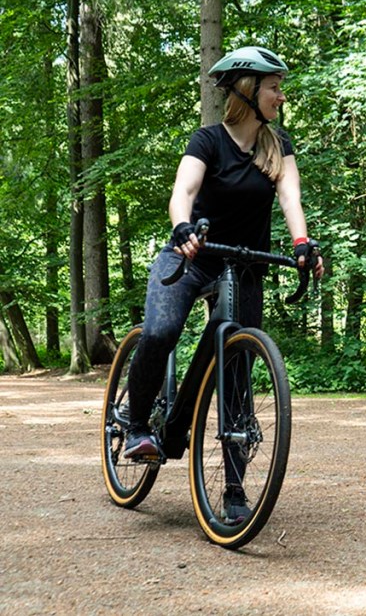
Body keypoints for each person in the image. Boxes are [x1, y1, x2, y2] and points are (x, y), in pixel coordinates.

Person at [121, 46, 323, 523]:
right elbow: (183, 193)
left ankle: (234, 491)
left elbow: (291, 198)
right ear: (247, 90)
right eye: (274, 86)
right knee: (161, 332)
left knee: (236, 369)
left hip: (245, 264)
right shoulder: (208, 140)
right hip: (193, 255)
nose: (281, 94)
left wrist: (302, 244)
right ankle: (135, 426)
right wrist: (183, 228)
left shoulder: (277, 146)